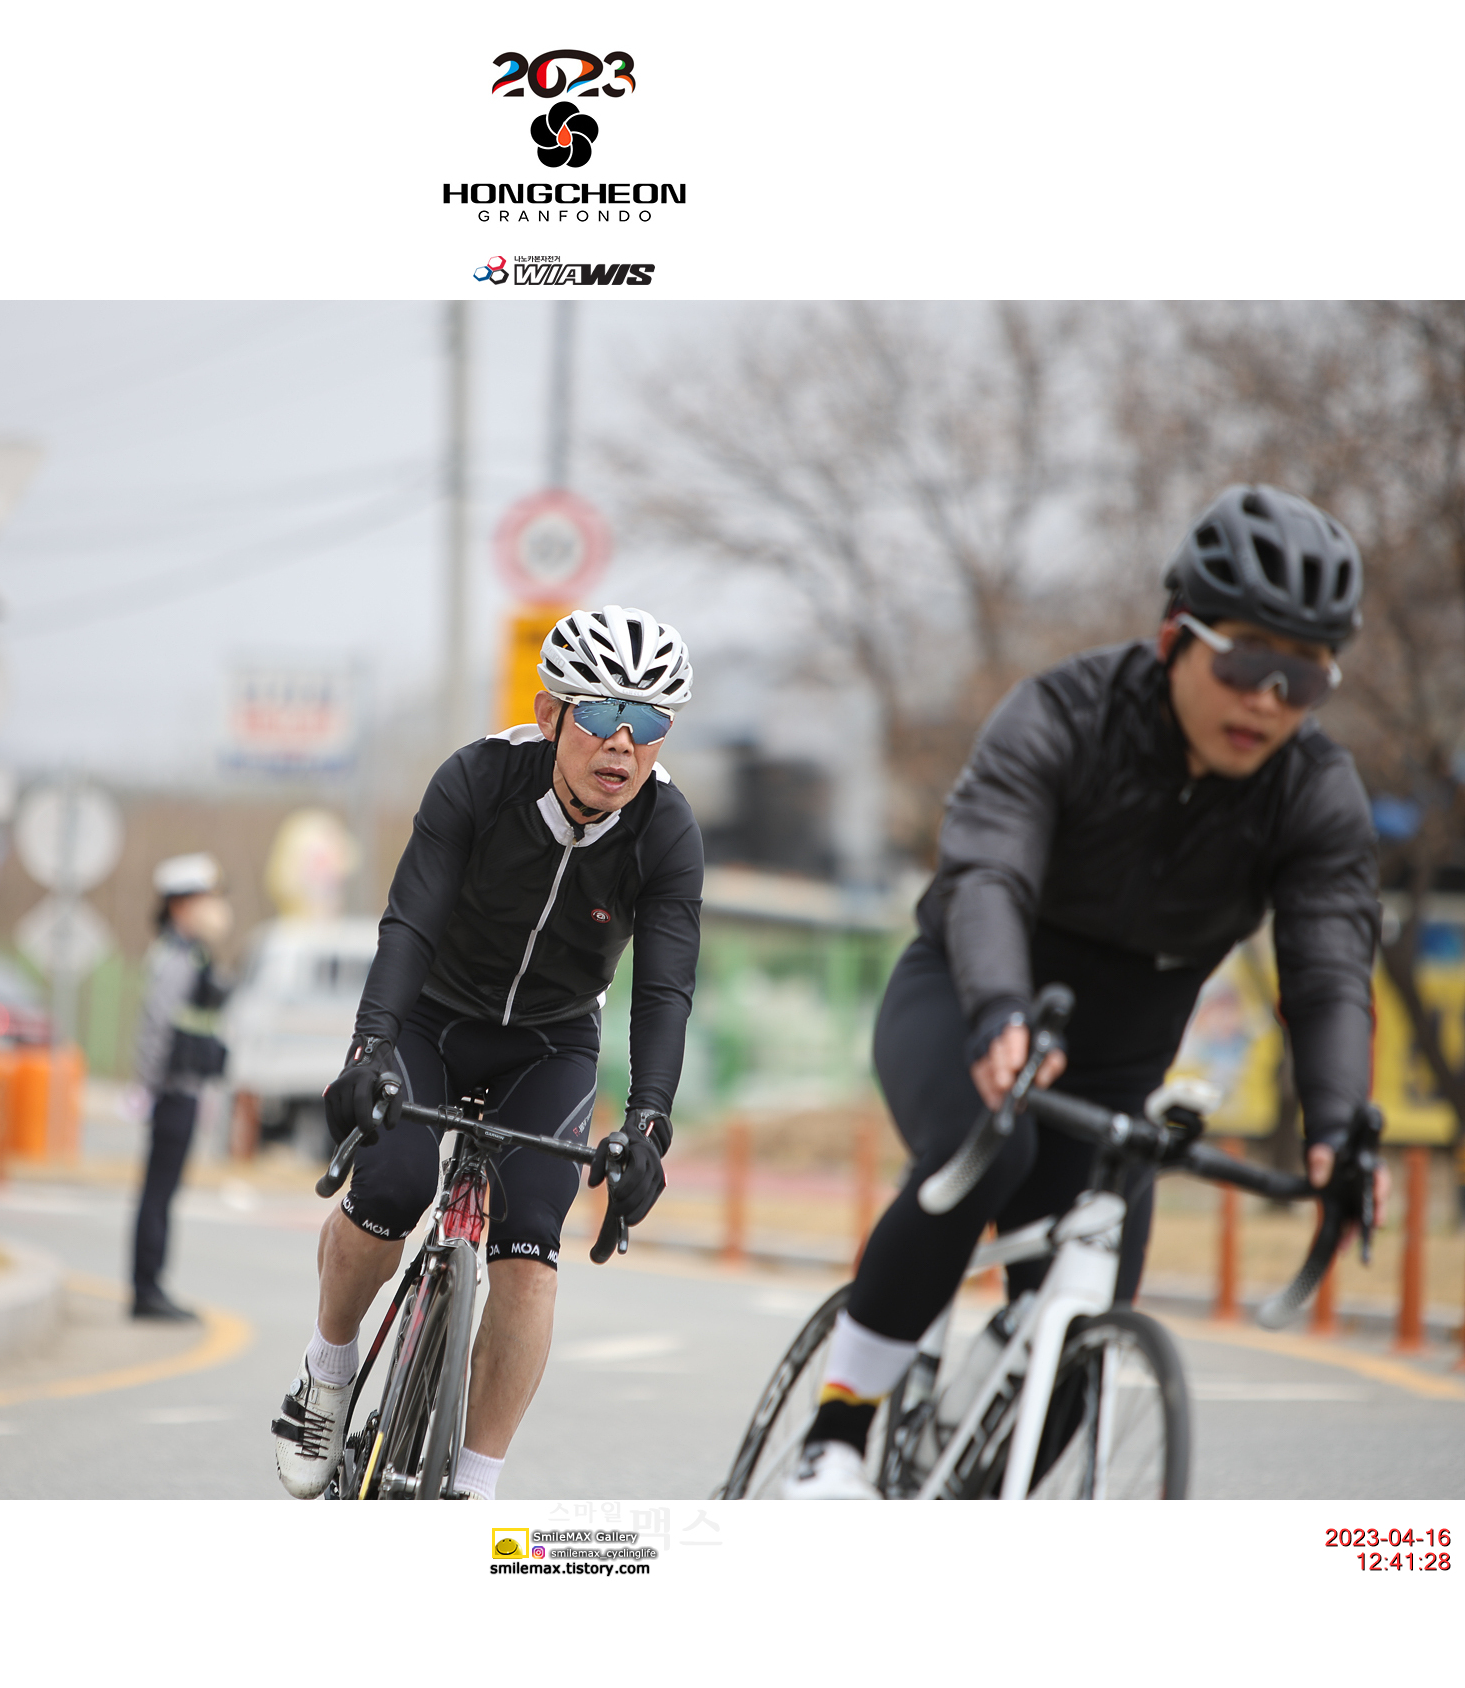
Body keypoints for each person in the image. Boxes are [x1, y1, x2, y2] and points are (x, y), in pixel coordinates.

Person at [787, 483, 1393, 1498]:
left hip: (1118, 1066)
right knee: (990, 1151)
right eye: (1246, 661)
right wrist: (999, 1009)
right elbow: (989, 873)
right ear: (1175, 635)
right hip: (970, 996)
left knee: (1085, 1323)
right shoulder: (1065, 713)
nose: (1267, 700)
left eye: (1303, 677)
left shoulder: (1313, 791)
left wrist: (1338, 1122)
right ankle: (833, 1439)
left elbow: (1329, 965)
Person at [271, 605, 703, 1501]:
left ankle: (474, 1485)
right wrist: (370, 1046)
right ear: (549, 714)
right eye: (601, 713)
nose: (623, 742)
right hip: (433, 1017)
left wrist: (650, 1125)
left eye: (649, 720)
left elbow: (664, 990)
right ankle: (329, 1371)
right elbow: (409, 924)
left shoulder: (666, 831)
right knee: (389, 1192)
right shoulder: (476, 779)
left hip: (549, 1041)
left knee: (530, 1252)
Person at [129, 853, 232, 1322]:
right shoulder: (174, 957)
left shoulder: (194, 954)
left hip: (187, 1090)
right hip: (171, 1091)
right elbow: (157, 1026)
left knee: (164, 1193)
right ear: (179, 906)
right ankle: (146, 1291)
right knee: (158, 1194)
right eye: (204, 899)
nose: (214, 909)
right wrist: (147, 1088)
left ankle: (150, 1286)